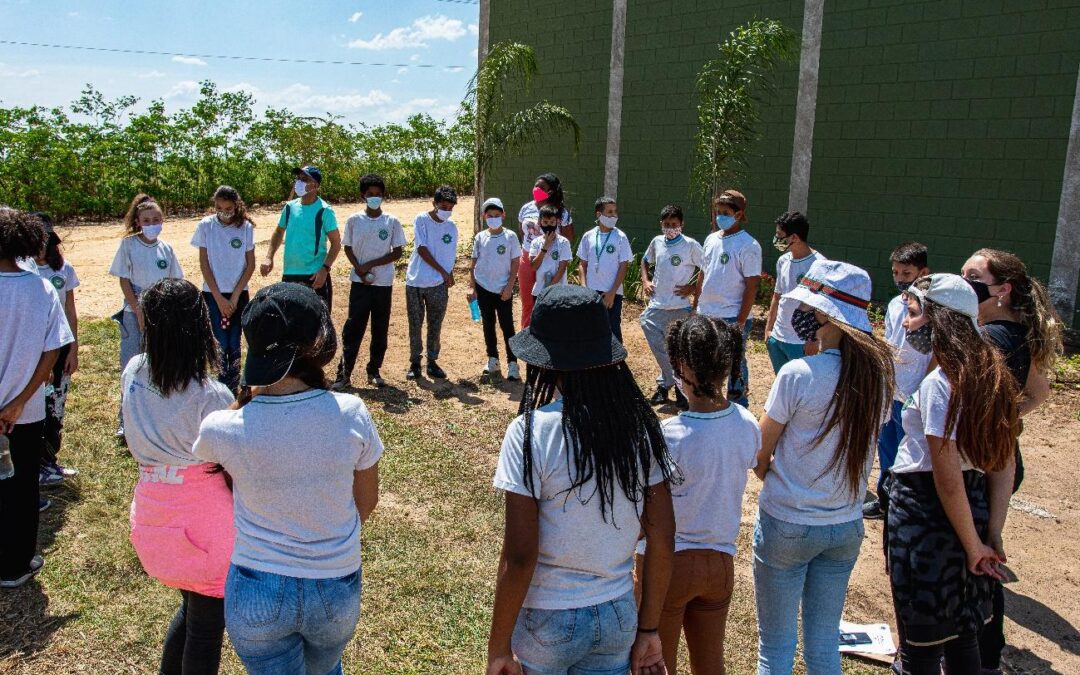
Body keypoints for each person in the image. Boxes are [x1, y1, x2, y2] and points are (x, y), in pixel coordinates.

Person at [486, 284, 677, 675]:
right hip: (618, 615)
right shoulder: (640, 430)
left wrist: (499, 648)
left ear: (544, 361)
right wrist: (649, 627)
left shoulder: (530, 433)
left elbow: (521, 556)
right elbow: (662, 537)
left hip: (547, 617)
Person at [193, 282, 382, 674]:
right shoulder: (352, 413)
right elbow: (366, 503)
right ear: (318, 342)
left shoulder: (220, 428)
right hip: (335, 585)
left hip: (255, 588)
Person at [752, 259, 894, 675]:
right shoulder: (879, 379)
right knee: (823, 643)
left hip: (788, 522)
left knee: (774, 649)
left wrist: (778, 478)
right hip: (844, 526)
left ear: (827, 317)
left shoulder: (797, 375)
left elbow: (761, 454)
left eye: (812, 311)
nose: (804, 317)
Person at [887, 274, 1019, 675]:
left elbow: (946, 477)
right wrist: (989, 532)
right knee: (964, 637)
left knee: (921, 649)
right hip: (973, 513)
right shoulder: (993, 376)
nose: (906, 324)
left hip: (927, 519)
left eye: (912, 314)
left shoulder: (941, 384)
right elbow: (1003, 463)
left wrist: (972, 545)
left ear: (937, 319)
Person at [123, 279, 235, 674]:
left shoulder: (135, 370)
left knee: (191, 613)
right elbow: (231, 461)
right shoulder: (213, 395)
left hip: (152, 510)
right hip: (205, 522)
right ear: (199, 324)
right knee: (206, 628)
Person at [637, 315, 760, 675]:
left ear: (681, 366)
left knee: (657, 664)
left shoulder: (667, 435)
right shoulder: (747, 423)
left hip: (668, 566)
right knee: (711, 664)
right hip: (720, 564)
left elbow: (645, 513)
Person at [960, 249, 1063, 673]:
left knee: (973, 555)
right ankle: (987, 650)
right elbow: (1038, 393)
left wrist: (994, 422)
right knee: (983, 549)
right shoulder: (1022, 334)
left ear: (1002, 289)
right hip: (1002, 460)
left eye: (973, 276)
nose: (963, 280)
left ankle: (977, 652)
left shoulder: (987, 341)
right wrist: (1005, 419)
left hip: (982, 467)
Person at [0, 209, 74, 588]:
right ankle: (15, 565)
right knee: (21, 484)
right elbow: (53, 350)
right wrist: (18, 401)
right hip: (24, 412)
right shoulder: (40, 287)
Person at [864, 242, 931, 520]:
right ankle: (884, 499)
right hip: (891, 388)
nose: (900, 279)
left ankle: (906, 504)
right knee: (886, 445)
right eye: (896, 273)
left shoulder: (933, 310)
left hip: (915, 391)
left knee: (910, 452)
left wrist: (924, 388)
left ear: (923, 272)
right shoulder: (894, 305)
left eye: (907, 273)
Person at [109, 195, 183, 440]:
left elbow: (174, 281)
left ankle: (156, 418)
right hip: (134, 313)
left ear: (162, 220)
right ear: (138, 222)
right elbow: (124, 280)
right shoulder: (129, 245)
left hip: (160, 313)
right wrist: (138, 310)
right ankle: (125, 421)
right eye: (146, 220)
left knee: (159, 364)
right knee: (131, 365)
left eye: (156, 219)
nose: (151, 223)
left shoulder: (166, 248)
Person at [333, 173, 406, 390]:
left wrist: (372, 264)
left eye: (378, 194)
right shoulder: (354, 220)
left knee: (380, 329)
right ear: (363, 195)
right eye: (370, 194)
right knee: (353, 328)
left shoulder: (391, 221)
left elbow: (397, 252)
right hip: (360, 283)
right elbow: (347, 247)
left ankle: (374, 370)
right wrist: (360, 270)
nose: (375, 197)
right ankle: (344, 374)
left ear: (383, 196)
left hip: (383, 284)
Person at [697, 190, 761, 407]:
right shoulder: (711, 239)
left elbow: (752, 286)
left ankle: (738, 403)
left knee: (735, 362)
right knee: (707, 360)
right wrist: (696, 305)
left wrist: (741, 321)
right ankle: (709, 401)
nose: (720, 217)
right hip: (707, 313)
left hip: (732, 316)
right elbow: (703, 274)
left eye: (726, 212)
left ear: (739, 214)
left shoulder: (749, 245)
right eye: (718, 212)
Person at [31, 213, 81, 487]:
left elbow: (70, 311)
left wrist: (73, 348)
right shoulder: (24, 271)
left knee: (56, 409)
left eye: (45, 238)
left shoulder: (63, 269)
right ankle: (35, 464)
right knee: (35, 410)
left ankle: (50, 462)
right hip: (36, 352)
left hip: (61, 350)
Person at [191, 185, 256, 393]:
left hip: (238, 294)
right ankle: (221, 385)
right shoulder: (205, 226)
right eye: (219, 207)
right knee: (219, 340)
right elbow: (204, 265)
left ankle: (234, 384)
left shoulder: (245, 227)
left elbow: (250, 264)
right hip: (212, 294)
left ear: (236, 206)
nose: (223, 212)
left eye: (228, 208)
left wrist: (235, 296)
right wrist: (219, 298)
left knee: (235, 340)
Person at [639, 205, 703, 411]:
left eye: (674, 225)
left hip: (680, 307)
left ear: (681, 224)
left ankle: (674, 387)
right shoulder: (657, 242)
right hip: (657, 305)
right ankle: (673, 382)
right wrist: (645, 281)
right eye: (666, 225)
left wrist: (693, 288)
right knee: (658, 344)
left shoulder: (691, 245)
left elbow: (707, 268)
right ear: (661, 225)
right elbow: (644, 261)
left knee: (679, 350)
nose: (670, 228)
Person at [261, 166, 341, 309]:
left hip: (314, 276)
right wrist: (269, 257)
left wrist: (324, 269)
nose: (299, 182)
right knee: (291, 324)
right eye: (298, 178)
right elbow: (279, 232)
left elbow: (336, 243)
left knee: (318, 326)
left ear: (315, 185)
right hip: (290, 274)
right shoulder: (290, 207)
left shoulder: (325, 210)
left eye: (304, 179)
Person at [405, 185, 459, 381]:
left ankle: (432, 361)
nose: (447, 211)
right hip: (416, 281)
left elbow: (449, 253)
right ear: (434, 204)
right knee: (415, 323)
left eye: (450, 207)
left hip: (439, 284)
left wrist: (449, 273)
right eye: (443, 206)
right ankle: (415, 362)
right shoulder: (421, 220)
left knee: (435, 323)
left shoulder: (452, 227)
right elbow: (422, 249)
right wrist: (444, 272)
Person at [468, 197, 522, 380]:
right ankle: (493, 359)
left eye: (497, 215)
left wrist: (509, 287)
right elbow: (474, 262)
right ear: (484, 216)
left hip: (503, 291)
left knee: (507, 326)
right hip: (483, 288)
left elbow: (516, 262)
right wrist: (472, 286)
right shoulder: (480, 237)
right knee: (488, 325)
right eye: (490, 215)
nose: (493, 218)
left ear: (503, 215)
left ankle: (513, 364)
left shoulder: (511, 236)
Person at [764, 211, 824, 374]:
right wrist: (769, 330)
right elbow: (777, 296)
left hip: (801, 342)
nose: (776, 239)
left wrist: (815, 339)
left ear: (795, 238)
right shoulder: (782, 261)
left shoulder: (819, 265)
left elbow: (822, 306)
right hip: (778, 338)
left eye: (779, 235)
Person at [517, 173, 573, 326]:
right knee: (528, 302)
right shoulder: (526, 208)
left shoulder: (561, 212)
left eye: (542, 187)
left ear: (551, 192)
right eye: (536, 185)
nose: (536, 189)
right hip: (529, 258)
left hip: (551, 260)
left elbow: (568, 237)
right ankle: (527, 336)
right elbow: (523, 233)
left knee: (551, 301)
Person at [577, 196, 634, 342]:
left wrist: (612, 292)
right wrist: (584, 288)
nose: (614, 215)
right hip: (591, 292)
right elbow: (582, 264)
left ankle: (616, 364)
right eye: (609, 212)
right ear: (599, 214)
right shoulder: (588, 236)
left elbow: (623, 266)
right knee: (590, 329)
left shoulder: (620, 237)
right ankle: (593, 363)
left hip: (612, 293)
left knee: (613, 330)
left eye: (615, 212)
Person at [527, 205, 572, 309]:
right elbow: (533, 266)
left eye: (552, 222)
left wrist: (549, 289)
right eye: (545, 222)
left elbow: (562, 269)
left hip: (559, 292)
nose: (549, 225)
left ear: (557, 222)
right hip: (539, 291)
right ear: (539, 222)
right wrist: (545, 247)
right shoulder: (535, 242)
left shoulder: (563, 242)